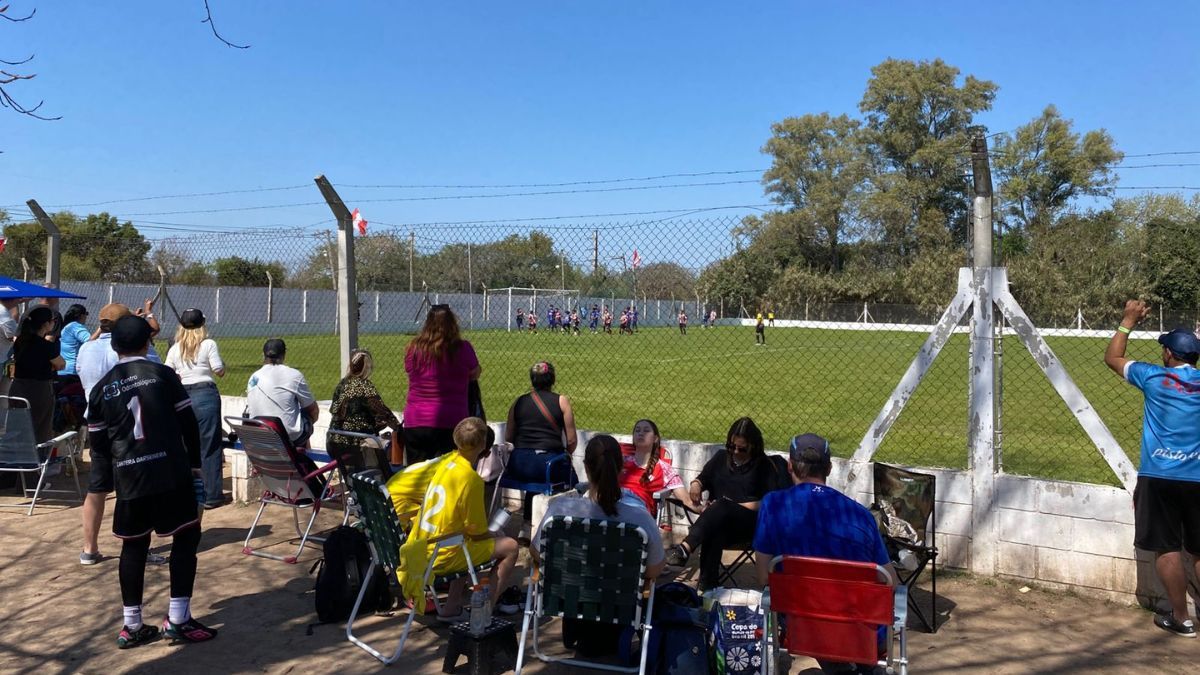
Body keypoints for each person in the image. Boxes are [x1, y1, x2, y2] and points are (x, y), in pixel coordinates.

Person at [86, 315, 217, 648]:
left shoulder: (102, 388)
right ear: (148, 343)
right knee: (186, 538)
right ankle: (178, 618)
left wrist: (109, 476)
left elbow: (98, 444)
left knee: (134, 545)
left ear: (114, 346)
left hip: (131, 477)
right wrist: (195, 465)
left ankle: (132, 625)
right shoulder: (163, 375)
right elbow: (188, 422)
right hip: (171, 473)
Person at [1104, 299, 1200, 637]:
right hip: (1198, 478)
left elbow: (1112, 357)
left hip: (1159, 476)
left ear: (1170, 355)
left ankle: (1181, 618)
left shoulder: (1153, 376)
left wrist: (1128, 320)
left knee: (1167, 547)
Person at [534, 434, 665, 656]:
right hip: (619, 605)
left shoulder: (560, 510)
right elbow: (654, 569)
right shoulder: (639, 517)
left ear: (585, 467)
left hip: (570, 600)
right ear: (622, 467)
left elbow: (537, 553)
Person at [397, 418, 520, 619]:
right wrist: (494, 533)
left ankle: (452, 607)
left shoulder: (445, 465)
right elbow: (478, 533)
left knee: (464, 541)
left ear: (456, 440)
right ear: (482, 446)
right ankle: (484, 612)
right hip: (440, 554)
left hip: (421, 547)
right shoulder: (471, 480)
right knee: (511, 546)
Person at [78, 303, 165, 566]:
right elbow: (155, 368)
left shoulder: (86, 347)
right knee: (138, 485)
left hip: (96, 424)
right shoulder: (123, 349)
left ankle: (89, 549)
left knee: (98, 487)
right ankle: (139, 545)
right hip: (127, 425)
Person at [665, 417, 782, 590]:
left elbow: (769, 502)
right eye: (731, 446)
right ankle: (707, 588)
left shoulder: (765, 466)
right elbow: (702, 478)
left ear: (754, 446)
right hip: (719, 523)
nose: (735, 451)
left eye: (741, 449)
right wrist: (696, 484)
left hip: (749, 526)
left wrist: (732, 507)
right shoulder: (721, 458)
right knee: (715, 526)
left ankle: (685, 548)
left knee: (720, 507)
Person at [165, 309, 228, 509]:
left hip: (183, 396)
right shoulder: (208, 344)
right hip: (205, 394)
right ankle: (212, 496)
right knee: (209, 445)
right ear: (202, 325)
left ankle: (187, 492)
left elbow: (168, 372)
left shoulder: (175, 348)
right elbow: (219, 370)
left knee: (186, 446)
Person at [403, 304, 481, 464]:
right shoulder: (463, 348)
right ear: (453, 323)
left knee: (416, 473)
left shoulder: (414, 349)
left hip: (416, 420)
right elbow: (476, 372)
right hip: (451, 420)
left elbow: (409, 371)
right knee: (446, 474)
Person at [503, 361, 578, 523]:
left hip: (519, 465)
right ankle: (560, 524)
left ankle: (527, 524)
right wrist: (565, 454)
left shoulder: (518, 402)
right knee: (572, 481)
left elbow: (508, 436)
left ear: (532, 380)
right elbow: (571, 440)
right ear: (553, 379)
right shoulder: (561, 401)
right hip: (548, 464)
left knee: (536, 476)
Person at [328, 349, 400, 476]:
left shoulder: (342, 384)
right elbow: (384, 413)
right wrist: (398, 427)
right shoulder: (365, 387)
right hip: (355, 445)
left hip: (334, 441)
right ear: (367, 367)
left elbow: (336, 411)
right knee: (388, 447)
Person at [245, 338, 319, 449]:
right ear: (284, 355)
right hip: (287, 436)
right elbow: (313, 410)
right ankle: (304, 461)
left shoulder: (254, 377)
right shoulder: (294, 375)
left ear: (263, 355)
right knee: (305, 416)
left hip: (260, 434)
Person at [8, 306, 65, 444]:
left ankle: (15, 457)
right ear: (45, 324)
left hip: (18, 386)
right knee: (40, 427)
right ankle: (36, 459)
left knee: (16, 425)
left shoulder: (20, 342)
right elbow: (61, 364)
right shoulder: (46, 346)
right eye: (52, 321)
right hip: (39, 389)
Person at [619, 418, 697, 517]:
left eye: (646, 430)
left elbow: (686, 500)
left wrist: (704, 508)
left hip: (637, 510)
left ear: (655, 438)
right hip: (615, 502)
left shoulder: (664, 469)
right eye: (637, 430)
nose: (641, 433)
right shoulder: (621, 462)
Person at [58, 303, 92, 378]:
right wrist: (101, 329)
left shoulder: (66, 327)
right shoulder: (75, 326)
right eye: (86, 314)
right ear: (81, 316)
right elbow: (90, 341)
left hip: (62, 370)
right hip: (72, 371)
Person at [0, 296, 23, 396]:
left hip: (7, 360)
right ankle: (4, 411)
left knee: (5, 391)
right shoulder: (6, 317)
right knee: (5, 392)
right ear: (14, 300)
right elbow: (16, 338)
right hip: (4, 360)